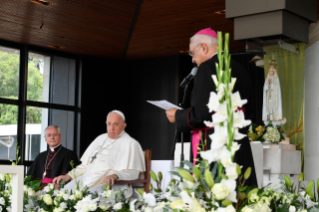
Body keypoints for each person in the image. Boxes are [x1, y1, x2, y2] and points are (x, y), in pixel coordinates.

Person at [165, 28, 257, 186]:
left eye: (193, 53)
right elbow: (249, 111)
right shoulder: (241, 69)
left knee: (217, 199)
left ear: (203, 47)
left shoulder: (207, 68)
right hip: (239, 145)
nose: (193, 60)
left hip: (216, 146)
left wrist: (178, 116)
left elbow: (202, 115)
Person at [53, 110, 145, 197]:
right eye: (109, 124)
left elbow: (133, 172)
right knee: (61, 197)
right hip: (87, 180)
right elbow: (85, 166)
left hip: (112, 185)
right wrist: (69, 176)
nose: (111, 128)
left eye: (115, 124)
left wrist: (115, 176)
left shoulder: (131, 144)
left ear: (123, 126)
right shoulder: (100, 139)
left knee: (85, 201)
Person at [262, 58, 282, 126]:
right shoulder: (268, 78)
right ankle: (268, 118)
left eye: (271, 71)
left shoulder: (276, 79)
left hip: (274, 95)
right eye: (269, 71)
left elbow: (277, 88)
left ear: (274, 72)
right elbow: (265, 88)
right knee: (268, 105)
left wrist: (272, 84)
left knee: (273, 105)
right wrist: (268, 84)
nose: (270, 72)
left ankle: (274, 117)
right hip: (268, 95)